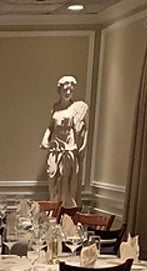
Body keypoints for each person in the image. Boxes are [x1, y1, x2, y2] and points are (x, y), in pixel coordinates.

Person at [40, 75, 89, 207]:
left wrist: (82, 145)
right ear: (59, 90)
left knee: (66, 182)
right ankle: (53, 209)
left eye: (70, 90)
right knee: (52, 179)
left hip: (69, 150)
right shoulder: (56, 107)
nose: (68, 92)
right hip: (55, 150)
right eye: (65, 90)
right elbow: (50, 127)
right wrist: (45, 139)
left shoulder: (77, 109)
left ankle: (66, 212)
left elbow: (83, 130)